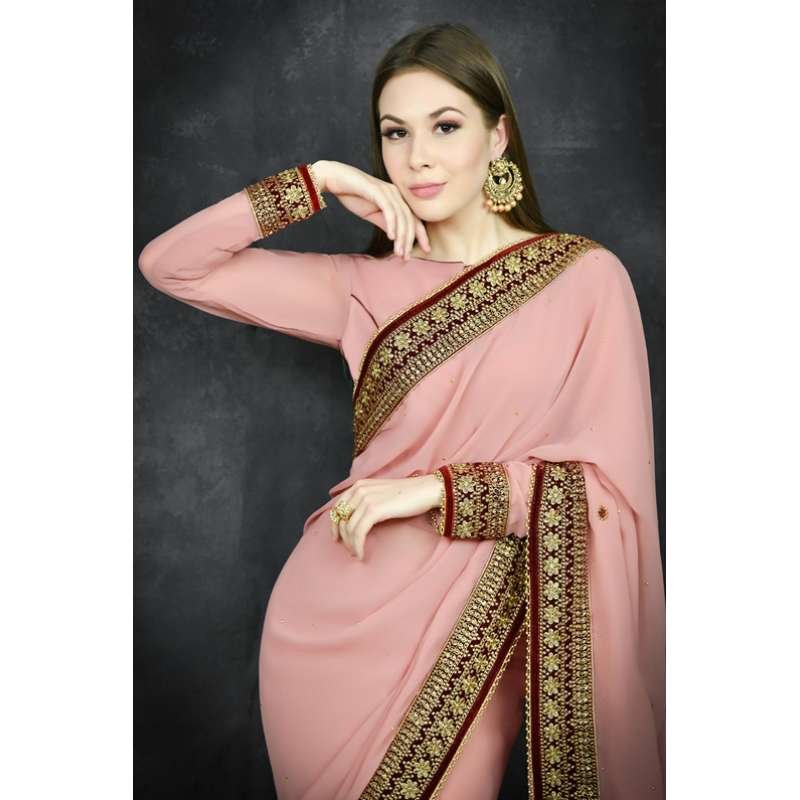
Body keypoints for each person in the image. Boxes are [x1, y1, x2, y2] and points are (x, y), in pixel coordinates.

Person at [137, 22, 665, 800]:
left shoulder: (585, 280)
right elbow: (170, 265)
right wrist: (319, 180)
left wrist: (435, 491)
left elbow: (607, 491)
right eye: (395, 132)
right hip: (331, 620)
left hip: (471, 622)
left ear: (498, 137)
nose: (416, 156)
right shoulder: (360, 286)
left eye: (445, 126)